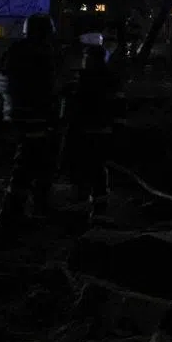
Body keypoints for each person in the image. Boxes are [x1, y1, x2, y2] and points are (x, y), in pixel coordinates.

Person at [0, 13, 64, 229]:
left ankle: (18, 212)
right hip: (38, 118)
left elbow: (0, 84)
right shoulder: (43, 55)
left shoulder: (13, 52)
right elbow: (49, 89)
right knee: (35, 163)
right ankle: (16, 214)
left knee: (29, 160)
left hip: (19, 117)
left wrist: (9, 112)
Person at [61, 32, 127, 223]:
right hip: (99, 132)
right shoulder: (110, 81)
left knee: (83, 167)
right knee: (96, 169)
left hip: (83, 132)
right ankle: (97, 208)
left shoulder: (79, 82)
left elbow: (68, 109)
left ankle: (87, 204)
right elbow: (120, 108)